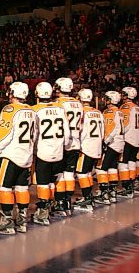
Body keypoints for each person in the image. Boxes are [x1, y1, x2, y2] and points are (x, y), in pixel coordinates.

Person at [0, 82, 35, 234]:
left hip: (11, 155)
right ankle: (22, 221)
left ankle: (7, 221)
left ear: (13, 93)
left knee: (4, 187)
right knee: (22, 188)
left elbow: (5, 134)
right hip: (26, 154)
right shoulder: (32, 111)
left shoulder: (9, 109)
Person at [32, 82, 71, 225]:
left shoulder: (35, 109)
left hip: (43, 151)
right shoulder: (60, 108)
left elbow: (34, 134)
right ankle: (53, 205)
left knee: (43, 182)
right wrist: (64, 145)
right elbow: (67, 131)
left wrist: (33, 150)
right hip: (59, 150)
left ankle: (43, 212)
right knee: (53, 181)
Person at [55, 77, 83, 215]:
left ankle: (60, 203)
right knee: (69, 174)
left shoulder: (58, 103)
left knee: (60, 174)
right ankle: (67, 202)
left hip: (63, 142)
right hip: (76, 141)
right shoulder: (78, 103)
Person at [73, 89, 104, 212]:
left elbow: (80, 130)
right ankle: (89, 196)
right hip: (96, 145)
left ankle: (87, 199)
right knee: (87, 173)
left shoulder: (81, 112)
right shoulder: (98, 112)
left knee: (81, 173)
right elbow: (102, 132)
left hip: (85, 146)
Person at [95, 91, 123, 205]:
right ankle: (112, 192)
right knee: (112, 168)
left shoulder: (110, 111)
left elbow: (114, 128)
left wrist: (106, 140)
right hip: (120, 142)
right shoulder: (119, 111)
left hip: (112, 143)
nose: (105, 100)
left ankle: (104, 194)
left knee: (101, 168)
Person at [119, 87, 139, 198]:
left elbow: (125, 123)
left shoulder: (125, 107)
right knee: (132, 162)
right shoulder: (137, 107)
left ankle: (126, 187)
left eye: (123, 94)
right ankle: (131, 184)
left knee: (123, 163)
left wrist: (120, 134)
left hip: (127, 138)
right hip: (136, 138)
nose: (122, 95)